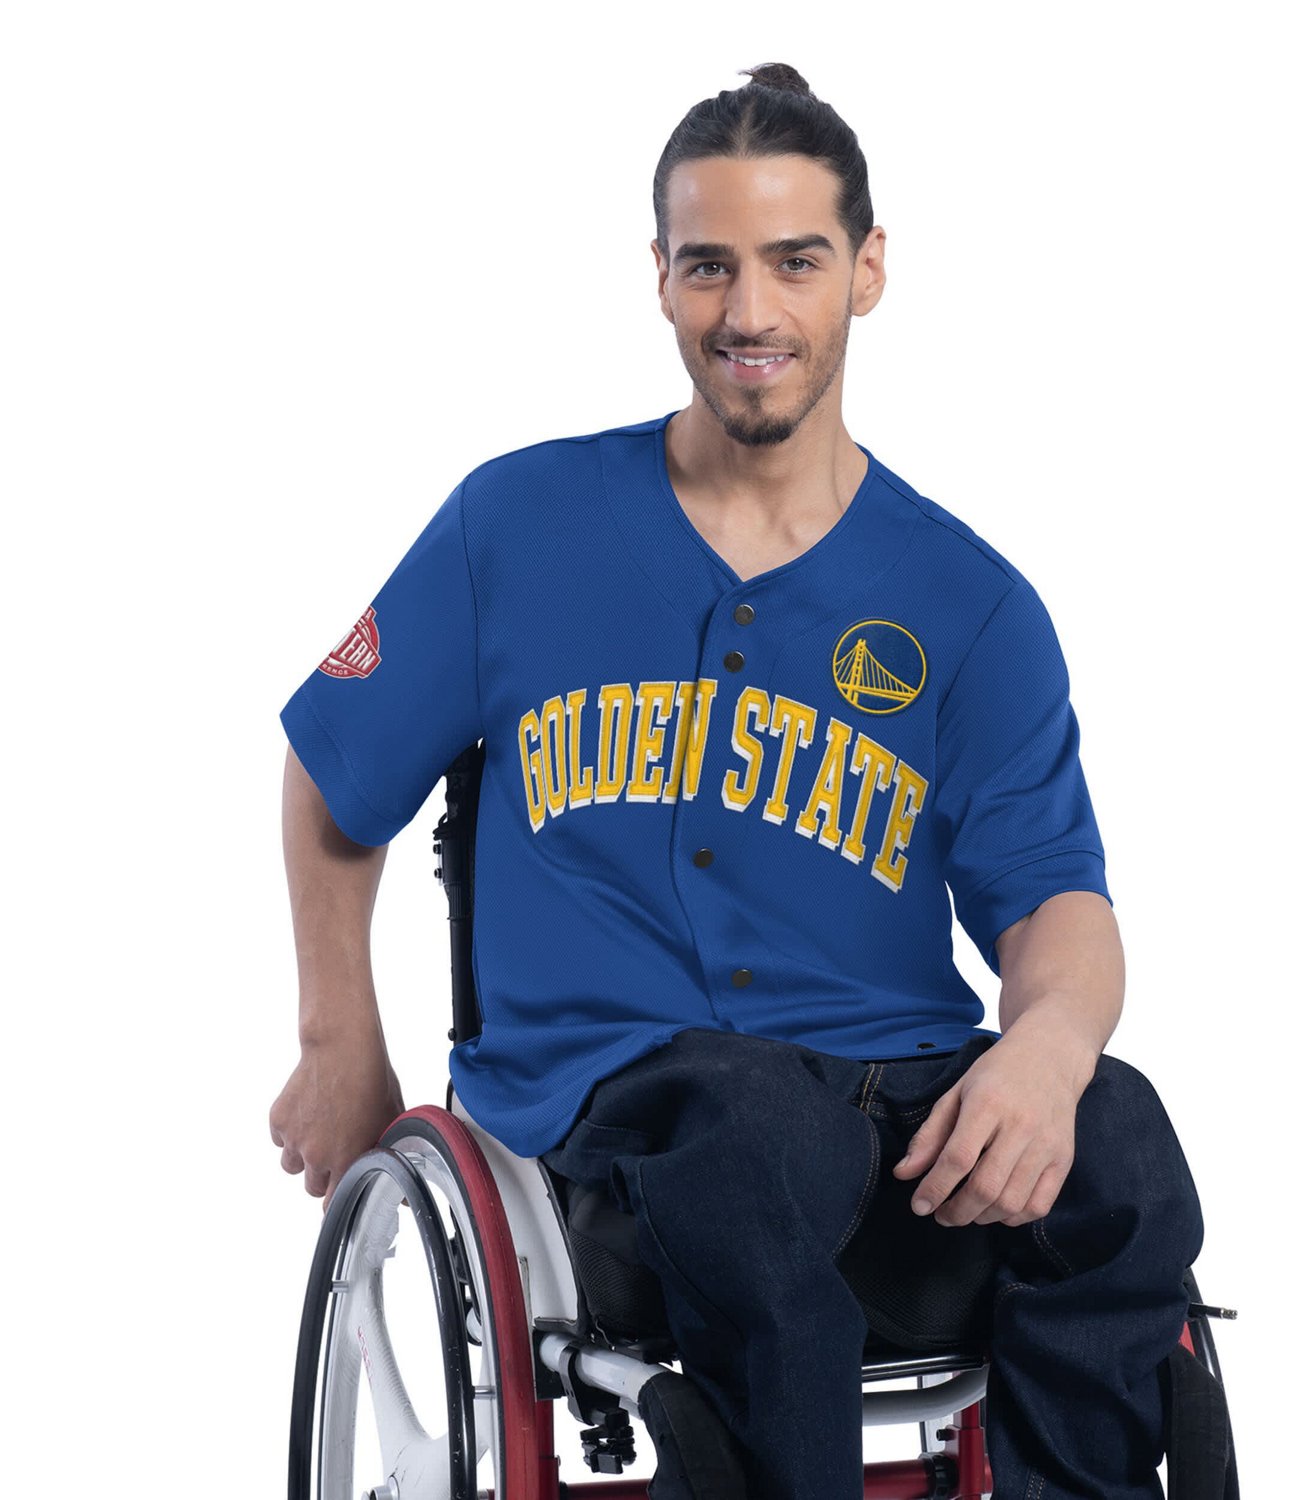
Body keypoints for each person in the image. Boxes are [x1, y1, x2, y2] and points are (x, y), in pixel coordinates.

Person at [270, 61, 1206, 1500]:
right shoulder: (518, 525)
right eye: (710, 265)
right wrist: (340, 1038)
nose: (749, 312)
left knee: (1124, 1144)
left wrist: (1053, 1044)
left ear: (869, 270)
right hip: (617, 1108)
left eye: (795, 262)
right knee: (750, 1125)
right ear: (660, 277)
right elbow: (335, 772)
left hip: (889, 1103)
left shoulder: (970, 604)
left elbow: (1054, 903)